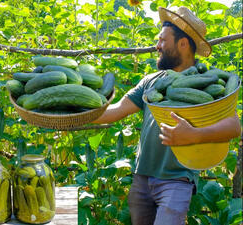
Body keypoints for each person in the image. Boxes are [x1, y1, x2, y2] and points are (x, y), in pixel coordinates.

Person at [93, 7, 241, 225]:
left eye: (163, 40)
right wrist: (76, 114)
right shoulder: (151, 81)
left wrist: (194, 135)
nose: (157, 46)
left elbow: (234, 127)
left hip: (177, 180)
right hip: (142, 177)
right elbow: (115, 111)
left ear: (182, 44)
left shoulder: (209, 81)